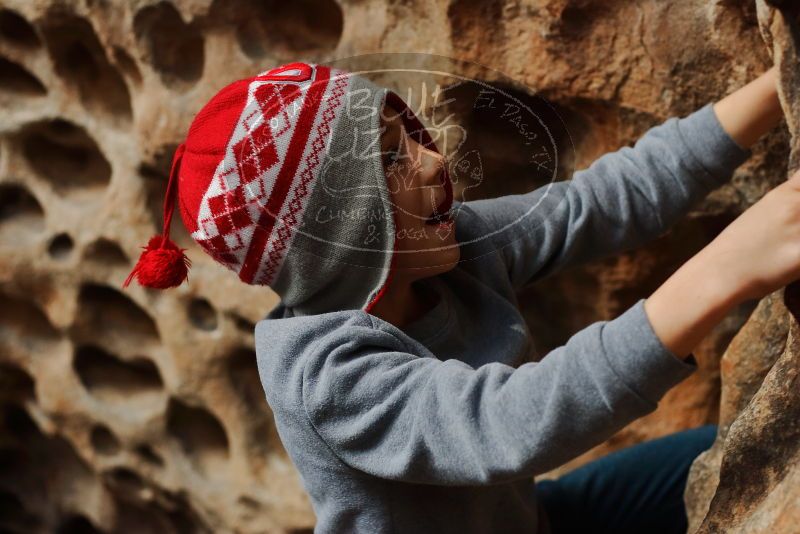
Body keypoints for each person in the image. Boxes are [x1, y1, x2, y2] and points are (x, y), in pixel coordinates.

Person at [123, 61, 788, 533]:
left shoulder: (449, 252)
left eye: (407, 135)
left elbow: (602, 202)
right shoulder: (322, 374)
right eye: (389, 157)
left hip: (540, 521)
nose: (434, 160)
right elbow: (505, 424)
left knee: (754, 450)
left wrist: (779, 87)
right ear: (336, 231)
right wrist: (728, 268)